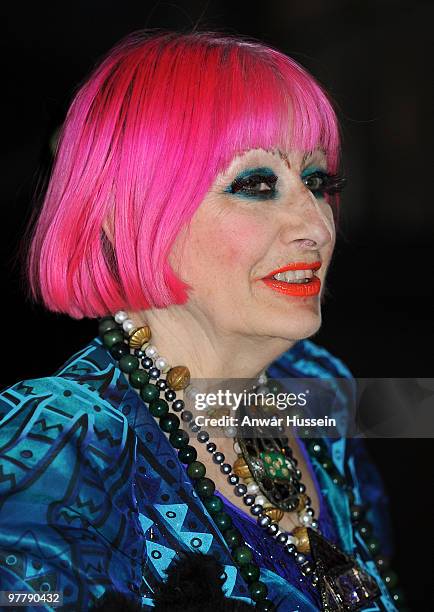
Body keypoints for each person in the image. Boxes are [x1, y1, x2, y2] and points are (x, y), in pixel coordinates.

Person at [0, 30, 406, 611]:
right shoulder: (64, 445)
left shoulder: (320, 392)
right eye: (256, 185)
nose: (315, 225)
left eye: (318, 182)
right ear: (126, 211)